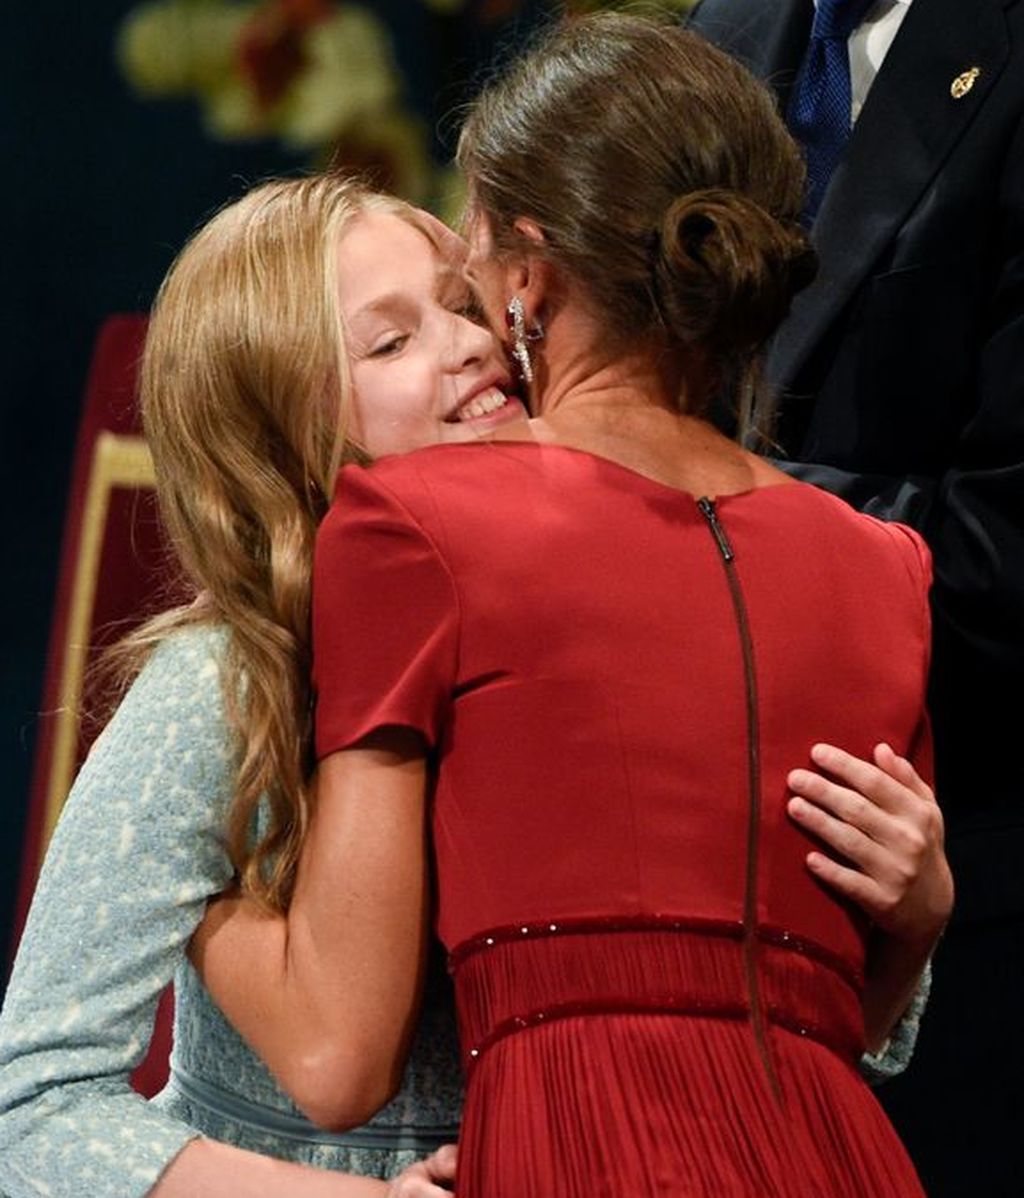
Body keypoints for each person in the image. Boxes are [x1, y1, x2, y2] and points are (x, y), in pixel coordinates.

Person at [189, 16, 953, 1197]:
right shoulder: (887, 567)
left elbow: (337, 1055)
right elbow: (835, 1019)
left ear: (529, 275)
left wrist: (206, 903)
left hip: (587, 1144)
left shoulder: (418, 525)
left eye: (473, 270)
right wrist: (921, 918)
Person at [0, 173, 529, 1197]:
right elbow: (32, 1105)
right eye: (390, 342)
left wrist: (912, 911)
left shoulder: (588, 627)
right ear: (282, 440)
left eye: (464, 304)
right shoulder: (219, 686)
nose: (466, 343)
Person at [686, 0, 1024, 1191]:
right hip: (680, 879)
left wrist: (691, 493)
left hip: (955, 888)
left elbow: (1004, 556)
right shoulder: (723, 25)